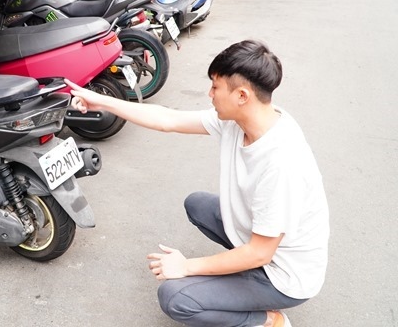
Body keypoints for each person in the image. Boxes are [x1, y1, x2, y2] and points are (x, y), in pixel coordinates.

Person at [67, 40, 329, 327]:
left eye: (216, 87)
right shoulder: (245, 118)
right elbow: (168, 119)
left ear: (242, 95)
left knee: (176, 296)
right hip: (265, 245)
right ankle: (238, 278)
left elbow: (260, 252)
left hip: (285, 275)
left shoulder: (280, 162)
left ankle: (266, 319)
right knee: (198, 205)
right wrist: (101, 100)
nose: (210, 94)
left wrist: (186, 267)